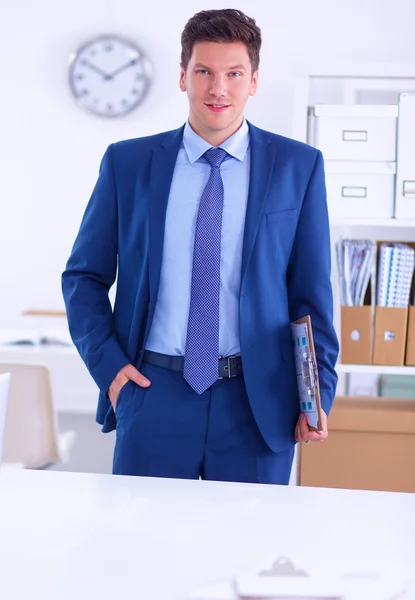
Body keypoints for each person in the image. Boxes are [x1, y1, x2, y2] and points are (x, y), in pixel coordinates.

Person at [62, 8, 339, 484]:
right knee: (145, 548)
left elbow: (311, 296)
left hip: (258, 405)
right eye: (204, 72)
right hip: (153, 393)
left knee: (247, 552)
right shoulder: (128, 164)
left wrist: (316, 397)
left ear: (253, 81)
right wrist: (111, 370)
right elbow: (83, 277)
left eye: (233, 74)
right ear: (182, 77)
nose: (218, 89)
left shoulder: (299, 167)